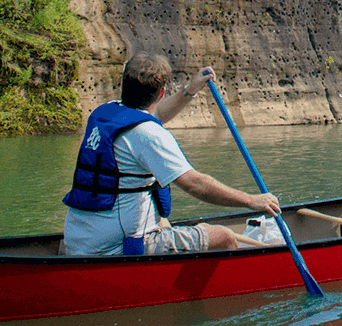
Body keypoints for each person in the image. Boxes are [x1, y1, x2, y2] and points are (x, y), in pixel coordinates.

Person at [61, 55, 280, 256]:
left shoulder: (106, 112)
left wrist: (190, 90)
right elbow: (194, 184)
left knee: (168, 222)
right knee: (224, 237)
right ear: (161, 92)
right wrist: (252, 201)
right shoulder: (149, 134)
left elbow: (156, 113)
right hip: (118, 247)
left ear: (124, 86)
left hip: (79, 238)